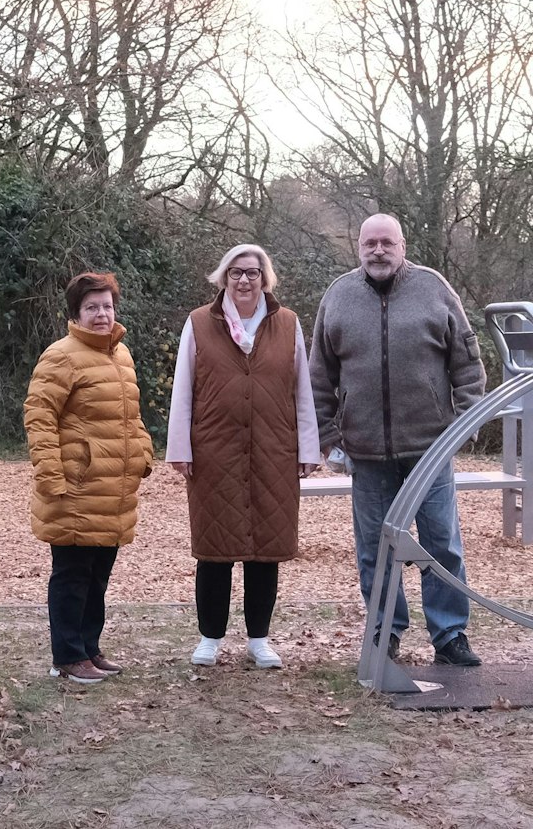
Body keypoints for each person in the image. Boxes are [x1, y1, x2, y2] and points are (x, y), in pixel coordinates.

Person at [310, 214, 485, 667]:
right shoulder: (338, 296)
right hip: (366, 452)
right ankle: (385, 631)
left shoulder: (433, 289)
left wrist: (467, 422)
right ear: (358, 247)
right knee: (375, 549)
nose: (379, 250)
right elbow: (319, 375)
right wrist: (328, 436)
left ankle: (450, 635)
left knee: (441, 544)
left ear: (402, 246)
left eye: (387, 242)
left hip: (430, 449)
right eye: (370, 243)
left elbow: (467, 363)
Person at [165, 244, 321, 669]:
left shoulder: (288, 324)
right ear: (224, 278)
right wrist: (180, 447)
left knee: (265, 551)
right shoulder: (199, 323)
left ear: (264, 279)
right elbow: (183, 388)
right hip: (215, 452)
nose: (244, 280)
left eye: (252, 272)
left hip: (274, 451)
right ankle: (210, 637)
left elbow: (302, 391)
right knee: (214, 549)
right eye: (236, 272)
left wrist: (308, 447)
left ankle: (259, 640)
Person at [24, 271, 156, 685]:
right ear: (76, 313)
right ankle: (67, 656)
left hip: (114, 488)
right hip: (76, 488)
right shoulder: (61, 356)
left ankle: (88, 648)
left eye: (107, 306)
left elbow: (131, 417)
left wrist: (143, 454)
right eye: (92, 307)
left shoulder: (121, 356)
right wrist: (50, 474)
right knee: (72, 576)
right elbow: (39, 417)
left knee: (98, 576)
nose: (102, 314)